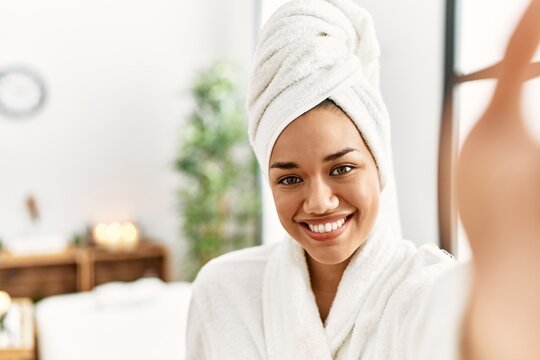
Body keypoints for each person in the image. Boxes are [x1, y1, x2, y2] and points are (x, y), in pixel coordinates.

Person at [186, 0, 540, 359]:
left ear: (379, 164)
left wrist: (512, 250)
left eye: (341, 169)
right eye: (290, 179)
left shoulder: (427, 293)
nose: (319, 202)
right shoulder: (223, 291)